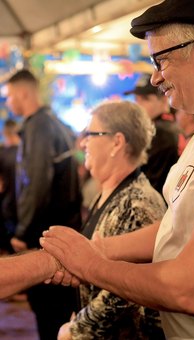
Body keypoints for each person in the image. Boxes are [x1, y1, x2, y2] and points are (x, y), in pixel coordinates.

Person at [22, 0, 194, 338]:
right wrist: (99, 249)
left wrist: (92, 266)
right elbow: (181, 223)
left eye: (161, 59)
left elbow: (192, 289)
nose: (155, 77)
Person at [57, 100, 166, 340]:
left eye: (91, 134)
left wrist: (76, 330)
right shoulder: (108, 190)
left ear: (117, 142)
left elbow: (125, 289)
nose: (83, 142)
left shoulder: (138, 202)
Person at [6, 69, 82, 340]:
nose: (8, 102)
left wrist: (23, 232)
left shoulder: (39, 126)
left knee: (51, 314)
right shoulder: (49, 122)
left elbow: (35, 183)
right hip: (58, 231)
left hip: (48, 235)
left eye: (10, 95)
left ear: (24, 93)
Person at [125, 73, 181, 193]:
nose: (138, 105)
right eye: (136, 99)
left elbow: (151, 184)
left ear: (164, 99)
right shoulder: (169, 126)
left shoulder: (160, 131)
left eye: (145, 99)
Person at [0, 118, 20, 253]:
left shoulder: (2, 154)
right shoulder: (26, 154)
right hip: (23, 208)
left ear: (5, 133)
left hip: (6, 208)